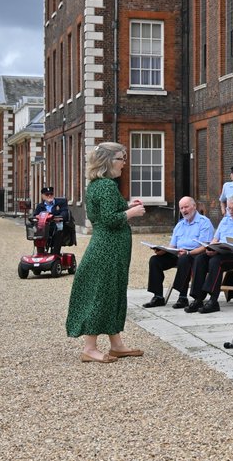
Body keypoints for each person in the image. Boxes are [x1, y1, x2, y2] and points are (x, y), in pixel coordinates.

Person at [65, 142, 146, 363]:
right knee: (102, 294)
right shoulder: (107, 186)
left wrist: (127, 206)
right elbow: (109, 220)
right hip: (107, 249)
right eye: (121, 158)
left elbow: (105, 213)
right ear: (109, 161)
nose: (124, 163)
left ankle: (117, 344)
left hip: (108, 248)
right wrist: (133, 212)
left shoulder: (98, 185)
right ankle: (90, 348)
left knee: (112, 293)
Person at [187, 192, 233, 313]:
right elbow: (215, 239)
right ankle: (198, 298)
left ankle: (213, 300)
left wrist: (230, 248)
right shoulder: (226, 220)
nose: (230, 212)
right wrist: (211, 248)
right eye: (228, 208)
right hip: (221, 251)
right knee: (200, 259)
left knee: (216, 261)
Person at [143, 196, 215, 308]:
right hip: (179, 253)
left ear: (194, 206)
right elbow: (173, 246)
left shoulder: (204, 222)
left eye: (186, 207)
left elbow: (205, 246)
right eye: (181, 208)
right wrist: (162, 251)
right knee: (155, 260)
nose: (184, 210)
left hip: (196, 255)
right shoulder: (180, 225)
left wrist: (188, 253)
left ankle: (182, 297)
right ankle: (158, 296)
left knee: (184, 258)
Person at [34, 186, 69, 253]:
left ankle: (55, 253)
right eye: (47, 194)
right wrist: (36, 218)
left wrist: (59, 217)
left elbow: (65, 212)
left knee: (58, 232)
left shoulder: (60, 203)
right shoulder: (40, 206)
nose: (49, 196)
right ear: (43, 196)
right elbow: (35, 215)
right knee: (37, 233)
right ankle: (40, 253)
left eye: (51, 194)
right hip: (44, 227)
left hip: (56, 226)